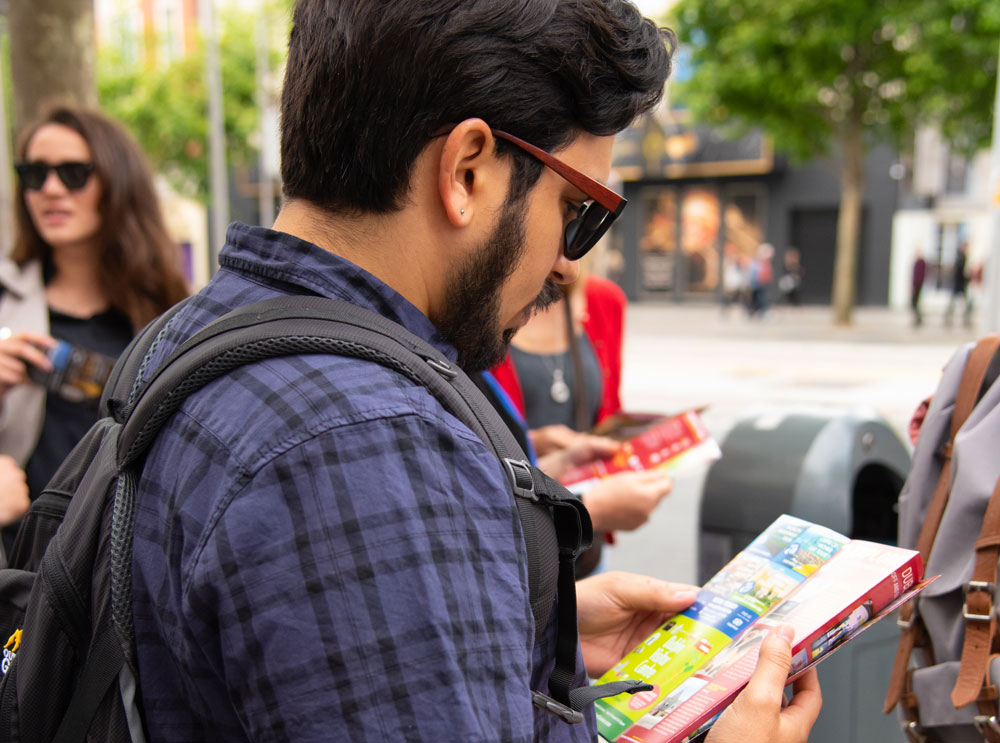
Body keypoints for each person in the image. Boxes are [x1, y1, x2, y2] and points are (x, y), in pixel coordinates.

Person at [129, 2, 821, 742]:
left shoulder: (189, 335)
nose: (566, 260)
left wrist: (510, 627)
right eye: (577, 209)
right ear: (466, 169)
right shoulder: (371, 446)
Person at [0, 106, 188, 551]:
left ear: (117, 183)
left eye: (73, 173)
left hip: (127, 566)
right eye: (34, 173)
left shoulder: (172, 315)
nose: (49, 190)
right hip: (21, 569)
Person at [491, 275, 673, 576]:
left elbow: (609, 409)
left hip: (586, 549)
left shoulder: (604, 300)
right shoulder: (479, 306)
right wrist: (531, 444)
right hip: (518, 552)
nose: (568, 264)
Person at [944, 241, 972, 328]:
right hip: (959, 284)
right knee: (960, 303)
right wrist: (967, 277)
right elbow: (961, 272)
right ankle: (950, 319)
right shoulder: (961, 258)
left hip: (959, 284)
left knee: (959, 303)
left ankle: (951, 319)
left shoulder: (960, 257)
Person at [910, 252, 926, 328]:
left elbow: (920, 275)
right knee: (914, 303)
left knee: (915, 302)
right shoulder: (917, 262)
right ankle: (918, 318)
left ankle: (919, 318)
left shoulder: (921, 262)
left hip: (918, 284)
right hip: (916, 284)